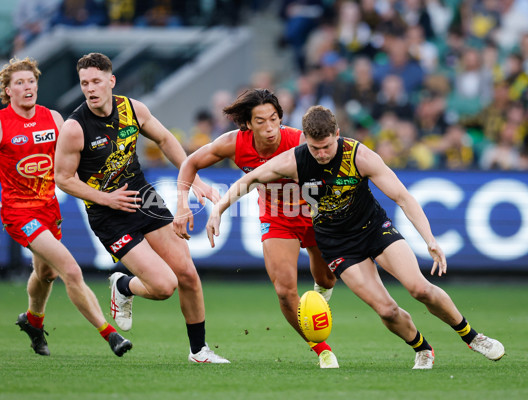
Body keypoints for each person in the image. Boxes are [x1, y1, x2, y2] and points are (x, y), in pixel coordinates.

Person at [206, 105, 506, 369]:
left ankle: (472, 336)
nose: (321, 154)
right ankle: (423, 349)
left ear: (337, 134)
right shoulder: (294, 159)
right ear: (305, 140)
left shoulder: (359, 155)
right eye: (314, 148)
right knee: (386, 309)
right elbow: (248, 180)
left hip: (374, 229)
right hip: (338, 245)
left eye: (326, 146)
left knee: (420, 289)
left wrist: (430, 239)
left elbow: (403, 196)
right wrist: (219, 208)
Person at [54, 52, 229, 363]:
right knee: (164, 287)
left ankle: (199, 351)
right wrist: (105, 197)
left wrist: (195, 180)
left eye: (96, 81)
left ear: (111, 81)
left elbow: (163, 139)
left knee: (187, 274)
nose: (91, 89)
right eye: (84, 84)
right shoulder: (75, 128)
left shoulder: (131, 109)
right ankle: (123, 284)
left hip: (143, 199)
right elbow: (63, 178)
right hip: (107, 214)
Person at [0, 57, 132, 358]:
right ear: (8, 91)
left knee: (46, 273)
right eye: (20, 83)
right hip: (19, 212)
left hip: (50, 208)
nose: (28, 87)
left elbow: (72, 162)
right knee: (70, 270)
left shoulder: (53, 119)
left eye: (31, 81)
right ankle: (110, 334)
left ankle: (33, 322)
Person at [173, 89, 338, 368]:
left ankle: (321, 291)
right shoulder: (234, 143)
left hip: (313, 212)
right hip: (276, 216)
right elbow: (191, 162)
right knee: (285, 291)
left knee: (328, 278)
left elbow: (334, 160)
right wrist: (181, 205)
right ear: (247, 124)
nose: (269, 127)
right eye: (260, 121)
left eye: (273, 119)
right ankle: (322, 349)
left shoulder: (298, 140)